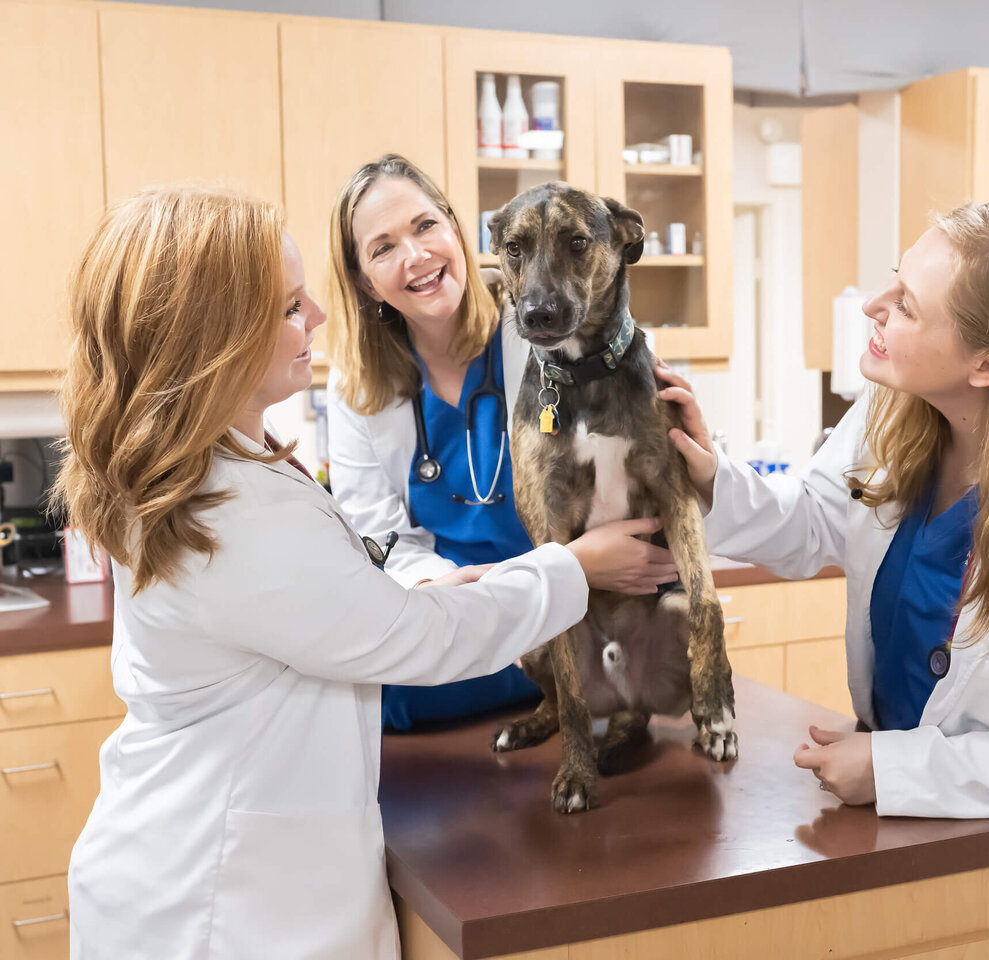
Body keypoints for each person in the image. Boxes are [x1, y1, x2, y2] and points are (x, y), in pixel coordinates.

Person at [55, 186, 671, 959]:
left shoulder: (217, 467)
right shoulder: (232, 510)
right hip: (221, 905)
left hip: (204, 864)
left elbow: (333, 598)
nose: (315, 316)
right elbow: (412, 642)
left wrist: (433, 587)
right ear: (209, 342)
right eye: (287, 308)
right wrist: (574, 567)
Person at [657, 203, 989, 960]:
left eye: (905, 304)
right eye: (892, 281)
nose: (873, 305)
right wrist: (709, 478)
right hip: (915, 827)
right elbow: (813, 522)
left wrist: (897, 765)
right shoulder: (895, 411)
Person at [326, 154, 675, 731]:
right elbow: (381, 545)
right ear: (366, 280)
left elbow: (640, 491)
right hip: (452, 639)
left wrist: (559, 580)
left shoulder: (556, 331)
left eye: (424, 226)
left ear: (459, 232)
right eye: (382, 248)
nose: (415, 256)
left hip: (578, 629)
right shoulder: (356, 387)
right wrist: (554, 572)